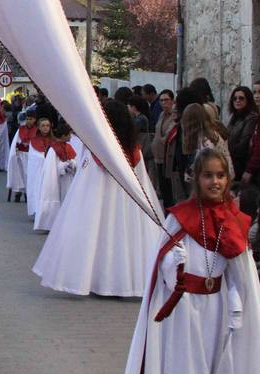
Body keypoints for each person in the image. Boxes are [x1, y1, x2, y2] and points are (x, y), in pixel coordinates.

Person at [117, 146, 260, 374]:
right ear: (196, 178)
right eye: (208, 175)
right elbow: (160, 260)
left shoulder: (235, 220)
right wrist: (172, 262)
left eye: (220, 176)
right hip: (183, 307)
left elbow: (240, 273)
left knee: (211, 364)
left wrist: (237, 304)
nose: (215, 182)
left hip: (216, 305)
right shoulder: (180, 217)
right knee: (185, 367)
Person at [34, 98, 164, 297]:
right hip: (129, 204)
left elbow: (86, 180)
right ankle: (124, 282)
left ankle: (96, 279)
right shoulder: (133, 149)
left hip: (99, 204)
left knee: (98, 239)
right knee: (126, 239)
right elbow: (142, 181)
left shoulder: (96, 148)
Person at [32, 119, 80, 233]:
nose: (71, 137)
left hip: (67, 179)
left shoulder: (68, 147)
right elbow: (51, 168)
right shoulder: (53, 149)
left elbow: (74, 160)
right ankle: (50, 223)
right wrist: (63, 166)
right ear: (63, 135)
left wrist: (72, 164)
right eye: (69, 135)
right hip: (56, 180)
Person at [225, 85, 258, 184]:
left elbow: (245, 142)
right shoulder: (234, 117)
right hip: (232, 162)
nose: (237, 101)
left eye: (241, 98)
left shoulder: (251, 118)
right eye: (235, 98)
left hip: (242, 162)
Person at [151, 89, 177, 206]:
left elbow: (168, 135)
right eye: (161, 100)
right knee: (163, 187)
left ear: (172, 101)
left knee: (169, 189)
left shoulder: (175, 116)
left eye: (166, 100)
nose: (163, 103)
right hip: (158, 156)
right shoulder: (161, 115)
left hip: (168, 158)